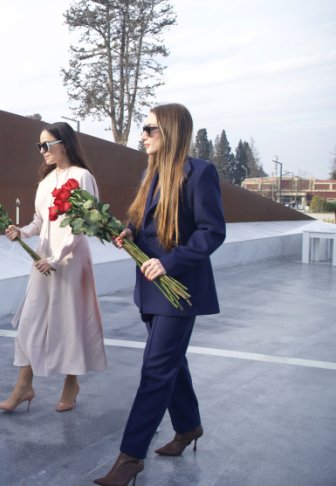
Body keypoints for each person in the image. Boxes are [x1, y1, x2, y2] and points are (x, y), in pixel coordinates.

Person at [94, 103, 226, 485]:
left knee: (156, 369)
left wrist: (170, 263)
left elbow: (211, 232)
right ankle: (189, 426)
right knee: (170, 362)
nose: (142, 136)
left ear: (170, 130)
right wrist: (128, 233)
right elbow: (140, 221)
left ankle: (130, 457)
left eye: (149, 129)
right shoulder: (149, 174)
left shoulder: (200, 173)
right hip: (151, 288)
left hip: (179, 289)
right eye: (143, 129)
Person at [0, 121, 107, 413]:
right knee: (30, 322)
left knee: (71, 321)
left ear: (64, 144)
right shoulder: (45, 182)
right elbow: (39, 222)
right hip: (43, 259)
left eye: (46, 145)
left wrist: (58, 258)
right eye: (39, 146)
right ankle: (24, 386)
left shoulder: (82, 177)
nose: (42, 151)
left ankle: (71, 383)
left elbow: (83, 226)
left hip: (70, 260)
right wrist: (21, 232)